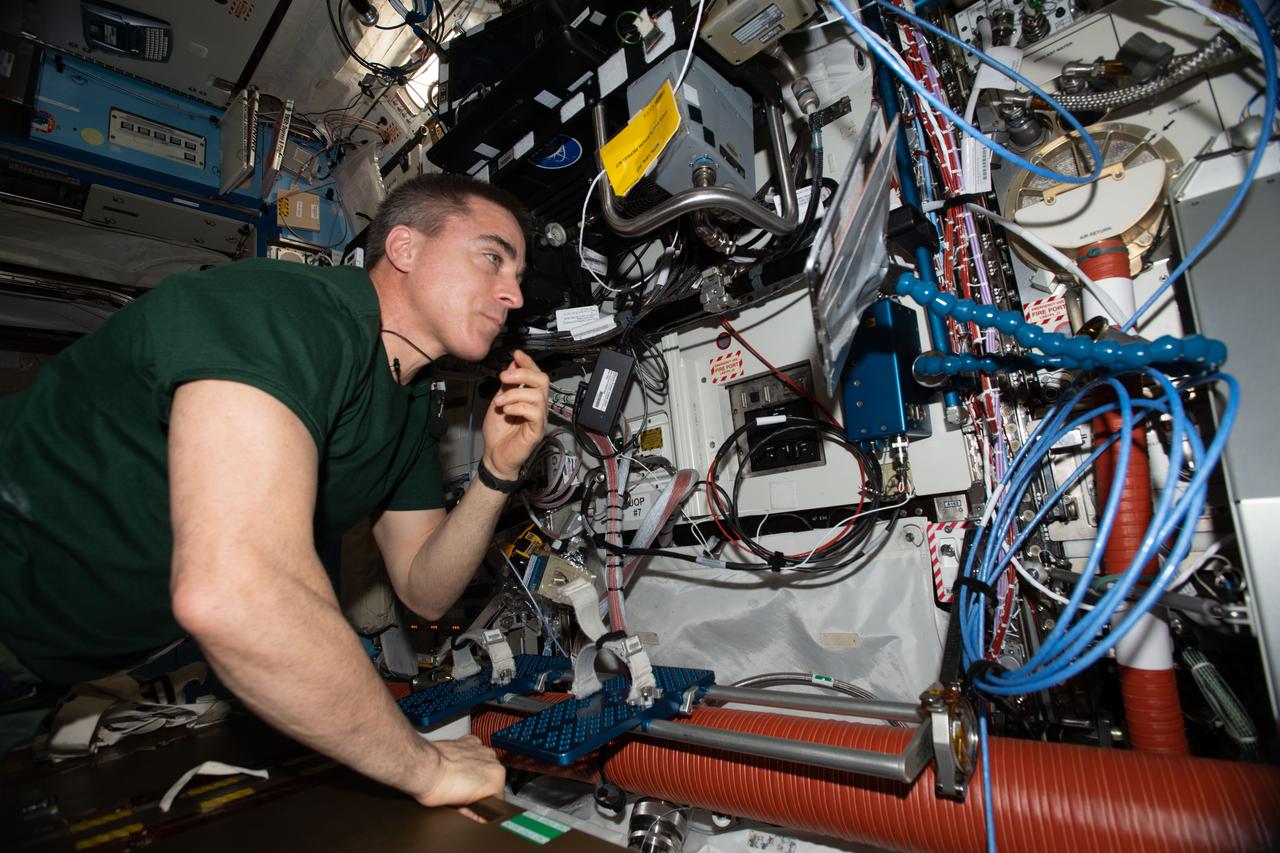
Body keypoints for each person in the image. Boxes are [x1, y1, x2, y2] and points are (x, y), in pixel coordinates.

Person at [0, 174, 550, 808]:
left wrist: (498, 471)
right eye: (492, 258)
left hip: (45, 671)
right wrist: (424, 769)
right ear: (404, 247)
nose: (511, 294)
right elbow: (236, 594)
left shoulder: (405, 409)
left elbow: (427, 590)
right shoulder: (285, 310)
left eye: (518, 276)